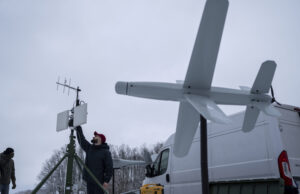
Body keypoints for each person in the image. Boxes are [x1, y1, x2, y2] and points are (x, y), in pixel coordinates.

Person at [75, 126, 113, 194]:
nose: (93, 137)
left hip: (99, 182)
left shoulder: (105, 152)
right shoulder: (90, 148)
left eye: (96, 136)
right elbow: (82, 140)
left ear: (101, 139)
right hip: (89, 181)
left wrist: (106, 181)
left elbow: (109, 167)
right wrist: (78, 128)